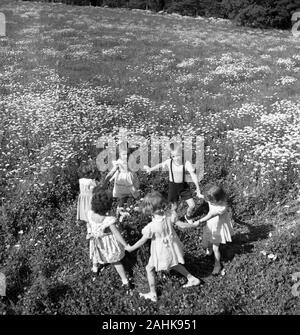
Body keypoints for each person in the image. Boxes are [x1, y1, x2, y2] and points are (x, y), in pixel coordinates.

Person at [125, 191, 202, 302]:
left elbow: (142, 241)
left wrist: (131, 248)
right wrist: (193, 224)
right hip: (172, 247)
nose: (162, 208)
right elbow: (182, 225)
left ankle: (153, 294)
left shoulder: (151, 227)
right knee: (173, 263)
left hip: (160, 250)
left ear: (150, 210)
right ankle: (192, 278)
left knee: (149, 268)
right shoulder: (170, 215)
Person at [144, 142, 203, 224]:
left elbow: (193, 175)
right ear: (171, 156)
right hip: (173, 187)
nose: (176, 158)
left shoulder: (186, 163)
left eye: (178, 155)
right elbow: (161, 165)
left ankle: (188, 216)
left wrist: (198, 188)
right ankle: (174, 219)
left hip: (183, 187)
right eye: (173, 156)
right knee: (174, 207)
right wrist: (150, 169)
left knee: (192, 205)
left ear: (181, 153)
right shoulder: (169, 162)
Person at [86, 187, 130, 287]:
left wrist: (89, 232)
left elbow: (88, 223)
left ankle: (95, 268)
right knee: (115, 261)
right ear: (108, 206)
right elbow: (117, 234)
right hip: (107, 244)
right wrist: (125, 245)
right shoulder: (108, 220)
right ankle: (125, 280)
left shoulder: (90, 214)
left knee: (95, 255)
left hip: (96, 241)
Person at [193, 186, 233, 275]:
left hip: (218, 227)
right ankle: (209, 248)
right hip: (210, 225)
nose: (210, 203)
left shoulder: (222, 207)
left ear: (219, 199)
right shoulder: (213, 199)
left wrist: (198, 221)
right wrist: (199, 194)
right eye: (210, 201)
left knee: (216, 248)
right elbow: (206, 198)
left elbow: (210, 215)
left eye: (212, 201)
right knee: (206, 243)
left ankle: (217, 264)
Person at [106, 141, 139, 221]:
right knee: (123, 197)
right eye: (123, 154)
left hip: (129, 177)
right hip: (123, 179)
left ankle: (133, 209)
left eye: (127, 154)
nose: (125, 156)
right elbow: (114, 170)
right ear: (119, 154)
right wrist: (108, 177)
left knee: (132, 195)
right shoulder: (118, 162)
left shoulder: (129, 159)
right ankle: (118, 213)